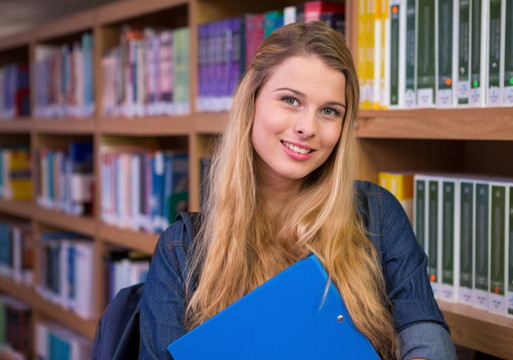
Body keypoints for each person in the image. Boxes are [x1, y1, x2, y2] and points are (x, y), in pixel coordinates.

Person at [140, 21, 457, 360]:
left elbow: (428, 340)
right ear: (252, 101)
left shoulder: (376, 214)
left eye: (329, 111)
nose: (307, 127)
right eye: (291, 100)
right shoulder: (182, 250)